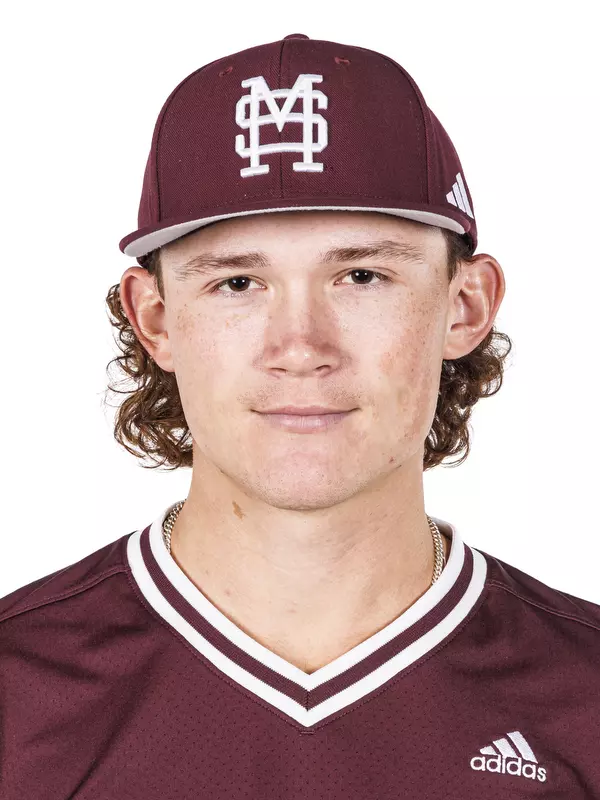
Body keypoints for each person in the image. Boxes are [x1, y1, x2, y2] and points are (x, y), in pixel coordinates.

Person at [1, 33, 598, 799]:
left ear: (465, 305)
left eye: (361, 274)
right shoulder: (17, 698)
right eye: (239, 284)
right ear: (154, 319)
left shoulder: (585, 701)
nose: (301, 348)